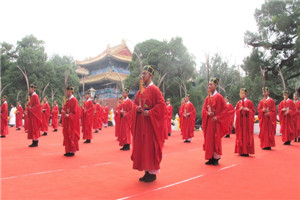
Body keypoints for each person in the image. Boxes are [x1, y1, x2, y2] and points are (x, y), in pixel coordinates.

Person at [131, 65, 166, 182]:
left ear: (150, 76)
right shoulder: (140, 91)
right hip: (142, 124)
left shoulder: (155, 89)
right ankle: (146, 171)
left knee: (150, 147)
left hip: (151, 125)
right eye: (142, 73)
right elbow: (134, 104)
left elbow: (161, 106)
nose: (142, 76)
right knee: (143, 147)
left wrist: (150, 112)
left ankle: (152, 172)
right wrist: (137, 109)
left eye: (144, 73)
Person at [202, 78, 229, 165]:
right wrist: (207, 113)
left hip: (216, 122)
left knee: (216, 139)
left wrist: (217, 117)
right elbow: (203, 109)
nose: (209, 86)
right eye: (209, 84)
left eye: (211, 84)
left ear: (216, 86)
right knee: (209, 139)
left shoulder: (219, 97)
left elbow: (225, 110)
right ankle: (210, 157)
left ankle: (216, 158)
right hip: (209, 122)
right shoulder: (207, 98)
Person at [234, 88, 255, 157]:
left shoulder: (249, 102)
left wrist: (247, 110)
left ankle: (246, 151)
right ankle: (241, 150)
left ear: (245, 94)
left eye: (242, 93)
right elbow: (236, 112)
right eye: (240, 93)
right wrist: (239, 110)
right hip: (240, 122)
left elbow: (253, 112)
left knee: (246, 135)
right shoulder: (238, 103)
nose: (241, 95)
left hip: (246, 122)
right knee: (240, 135)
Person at [62, 85, 80, 157]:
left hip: (72, 122)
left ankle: (72, 150)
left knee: (71, 135)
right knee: (67, 135)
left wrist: (69, 115)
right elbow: (66, 109)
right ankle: (68, 150)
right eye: (67, 91)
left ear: (72, 92)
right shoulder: (68, 100)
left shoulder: (74, 100)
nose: (68, 93)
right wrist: (63, 111)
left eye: (69, 91)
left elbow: (75, 113)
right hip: (67, 121)